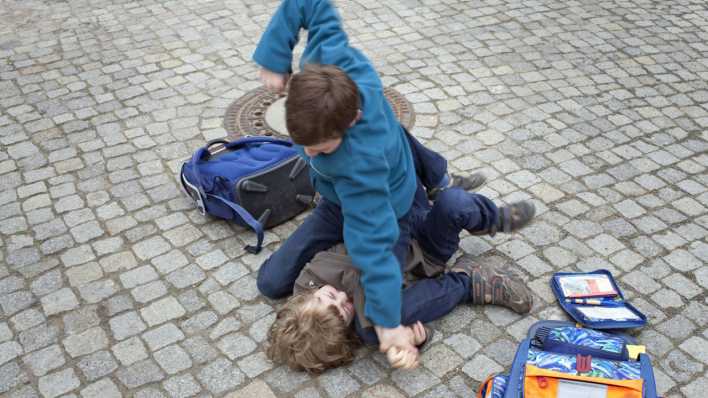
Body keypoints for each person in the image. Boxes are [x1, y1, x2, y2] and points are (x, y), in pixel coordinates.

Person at [253, 0, 452, 357]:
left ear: (352, 121)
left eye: (320, 148)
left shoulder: (361, 167)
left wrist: (389, 326)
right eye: (302, 144)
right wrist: (274, 53)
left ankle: (466, 281)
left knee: (372, 328)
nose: (308, 155)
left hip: (392, 212)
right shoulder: (327, 64)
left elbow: (373, 247)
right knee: (269, 283)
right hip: (335, 204)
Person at [266, 181, 536, 372]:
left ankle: (484, 216)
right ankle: (469, 280)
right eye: (343, 310)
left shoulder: (308, 280)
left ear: (304, 297)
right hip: (427, 250)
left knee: (375, 319)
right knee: (454, 203)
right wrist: (415, 339)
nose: (341, 297)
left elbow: (364, 279)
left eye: (330, 296)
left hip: (401, 216)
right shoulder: (357, 327)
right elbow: (406, 320)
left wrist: (386, 327)